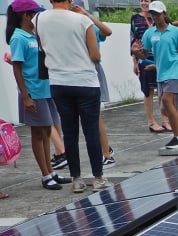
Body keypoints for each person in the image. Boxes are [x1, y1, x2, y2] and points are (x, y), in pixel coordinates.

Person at [35, 0, 109, 192]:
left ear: (51, 0)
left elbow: (42, 48)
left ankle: (76, 179)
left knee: (69, 131)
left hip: (58, 82)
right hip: (85, 81)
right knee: (91, 130)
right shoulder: (82, 20)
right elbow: (95, 55)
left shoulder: (39, 19)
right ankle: (98, 177)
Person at [6, 0, 70, 190]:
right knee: (38, 133)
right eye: (34, 14)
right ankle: (45, 175)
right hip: (33, 91)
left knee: (46, 131)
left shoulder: (33, 35)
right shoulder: (19, 38)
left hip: (46, 89)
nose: (37, 17)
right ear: (26, 16)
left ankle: (51, 172)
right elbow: (17, 68)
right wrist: (25, 97)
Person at [139, 1, 178, 148]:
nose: (155, 17)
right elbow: (144, 54)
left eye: (158, 14)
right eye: (153, 14)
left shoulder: (175, 32)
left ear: (164, 14)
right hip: (162, 73)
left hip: (176, 71)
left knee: (166, 101)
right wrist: (136, 52)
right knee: (166, 109)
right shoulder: (149, 33)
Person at [71, 0, 114, 168]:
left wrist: (88, 16)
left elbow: (107, 31)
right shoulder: (76, 25)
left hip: (90, 70)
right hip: (82, 71)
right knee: (91, 117)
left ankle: (106, 154)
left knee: (95, 116)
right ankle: (105, 150)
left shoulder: (88, 26)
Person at [130, 0, 167, 133]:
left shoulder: (157, 18)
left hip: (159, 58)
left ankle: (165, 120)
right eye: (142, 0)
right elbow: (133, 40)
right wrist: (135, 62)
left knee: (163, 90)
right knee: (148, 91)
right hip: (144, 58)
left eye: (147, 0)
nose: (144, 3)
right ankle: (151, 122)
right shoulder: (135, 19)